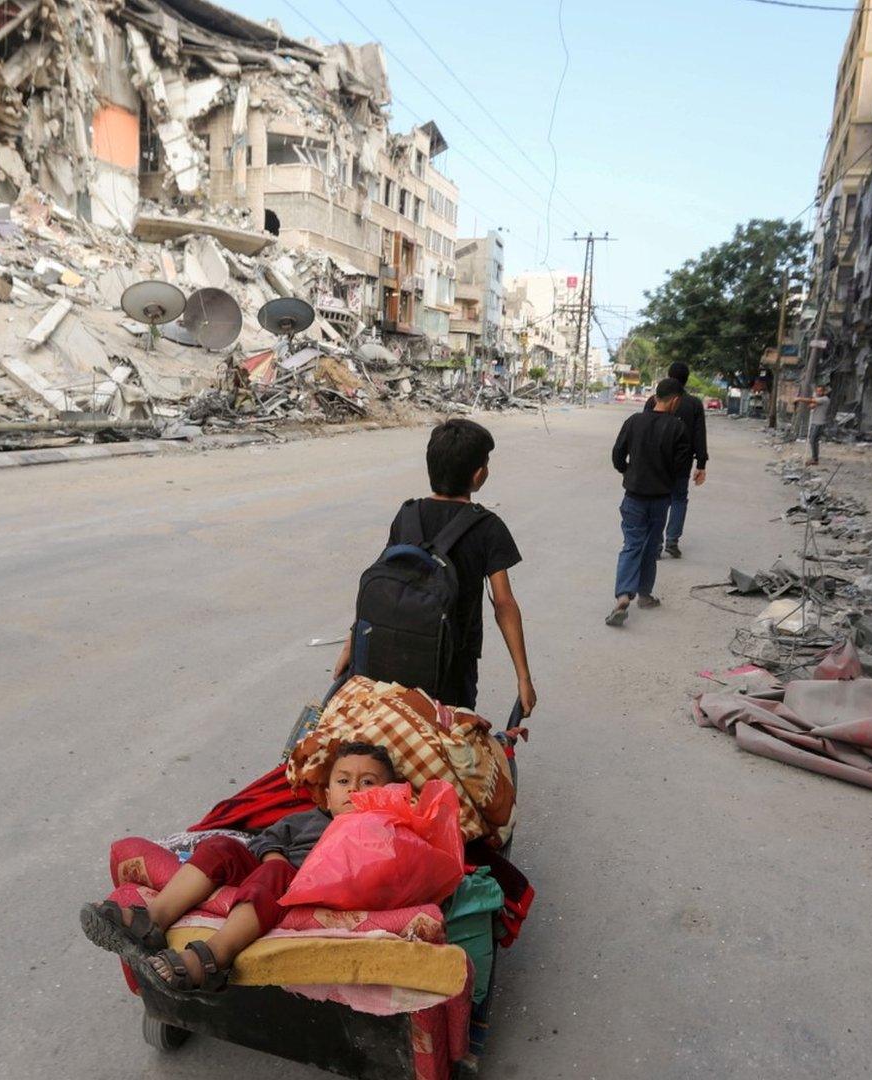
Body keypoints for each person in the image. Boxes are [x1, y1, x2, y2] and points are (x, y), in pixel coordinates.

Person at [80, 742, 398, 992]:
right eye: (344, 781)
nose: (354, 789)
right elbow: (264, 840)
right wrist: (273, 856)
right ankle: (152, 919)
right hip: (271, 876)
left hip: (310, 890)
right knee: (222, 847)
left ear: (389, 794)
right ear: (327, 797)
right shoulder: (308, 820)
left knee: (276, 873)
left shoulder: (384, 830)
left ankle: (214, 956)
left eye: (367, 782)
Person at [332, 419, 537, 717]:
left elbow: (387, 580)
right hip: (452, 667)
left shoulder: (407, 514)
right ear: (479, 475)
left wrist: (352, 644)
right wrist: (523, 678)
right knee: (447, 740)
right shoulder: (488, 526)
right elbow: (503, 603)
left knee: (394, 726)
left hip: (388, 654)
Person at [608, 378, 693, 626]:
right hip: (660, 499)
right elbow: (681, 468)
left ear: (656, 397)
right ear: (675, 400)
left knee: (632, 544)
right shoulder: (678, 428)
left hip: (633, 496)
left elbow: (617, 455)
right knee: (651, 544)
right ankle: (644, 595)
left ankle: (623, 596)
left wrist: (628, 471)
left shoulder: (634, 421)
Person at [661, 361, 709, 559]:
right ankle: (672, 540)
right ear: (686, 380)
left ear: (669, 376)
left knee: (658, 500)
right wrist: (701, 465)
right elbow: (700, 435)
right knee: (679, 499)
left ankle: (655, 545)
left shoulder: (656, 401)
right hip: (682, 462)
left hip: (658, 461)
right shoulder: (694, 404)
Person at [794, 383, 833, 465]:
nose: (818, 392)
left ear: (824, 392)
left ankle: (815, 459)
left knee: (813, 440)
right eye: (817, 391)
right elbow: (811, 405)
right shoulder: (820, 399)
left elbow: (811, 400)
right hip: (814, 422)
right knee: (814, 441)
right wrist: (812, 405)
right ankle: (815, 458)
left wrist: (799, 398)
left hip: (819, 423)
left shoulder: (825, 399)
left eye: (820, 391)